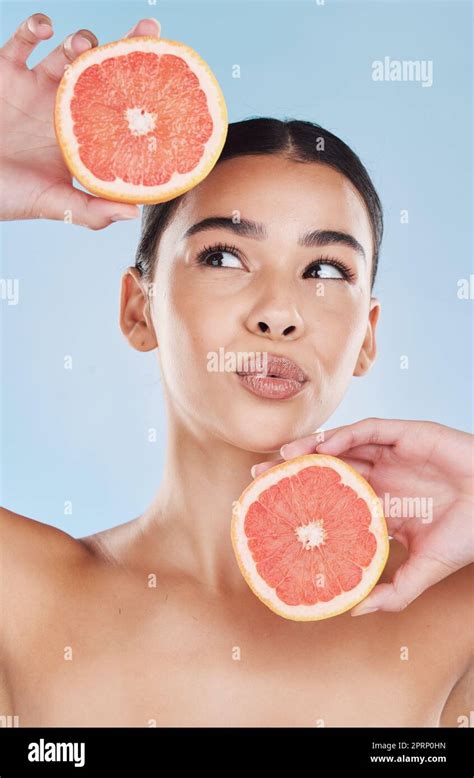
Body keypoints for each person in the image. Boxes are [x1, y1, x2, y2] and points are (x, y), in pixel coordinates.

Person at [0, 13, 472, 728]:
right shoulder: (20, 597)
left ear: (368, 336)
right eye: (222, 256)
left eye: (325, 268)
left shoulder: (453, 613)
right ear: (139, 310)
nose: (278, 313)